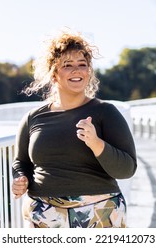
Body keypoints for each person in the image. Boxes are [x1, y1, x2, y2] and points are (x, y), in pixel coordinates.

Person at [11, 29, 137, 228]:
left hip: (99, 212)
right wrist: (20, 179)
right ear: (53, 74)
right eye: (67, 65)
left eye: (82, 65)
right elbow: (21, 162)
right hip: (43, 214)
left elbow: (127, 169)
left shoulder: (106, 112)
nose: (76, 70)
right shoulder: (33, 118)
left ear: (89, 72)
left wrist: (96, 144)